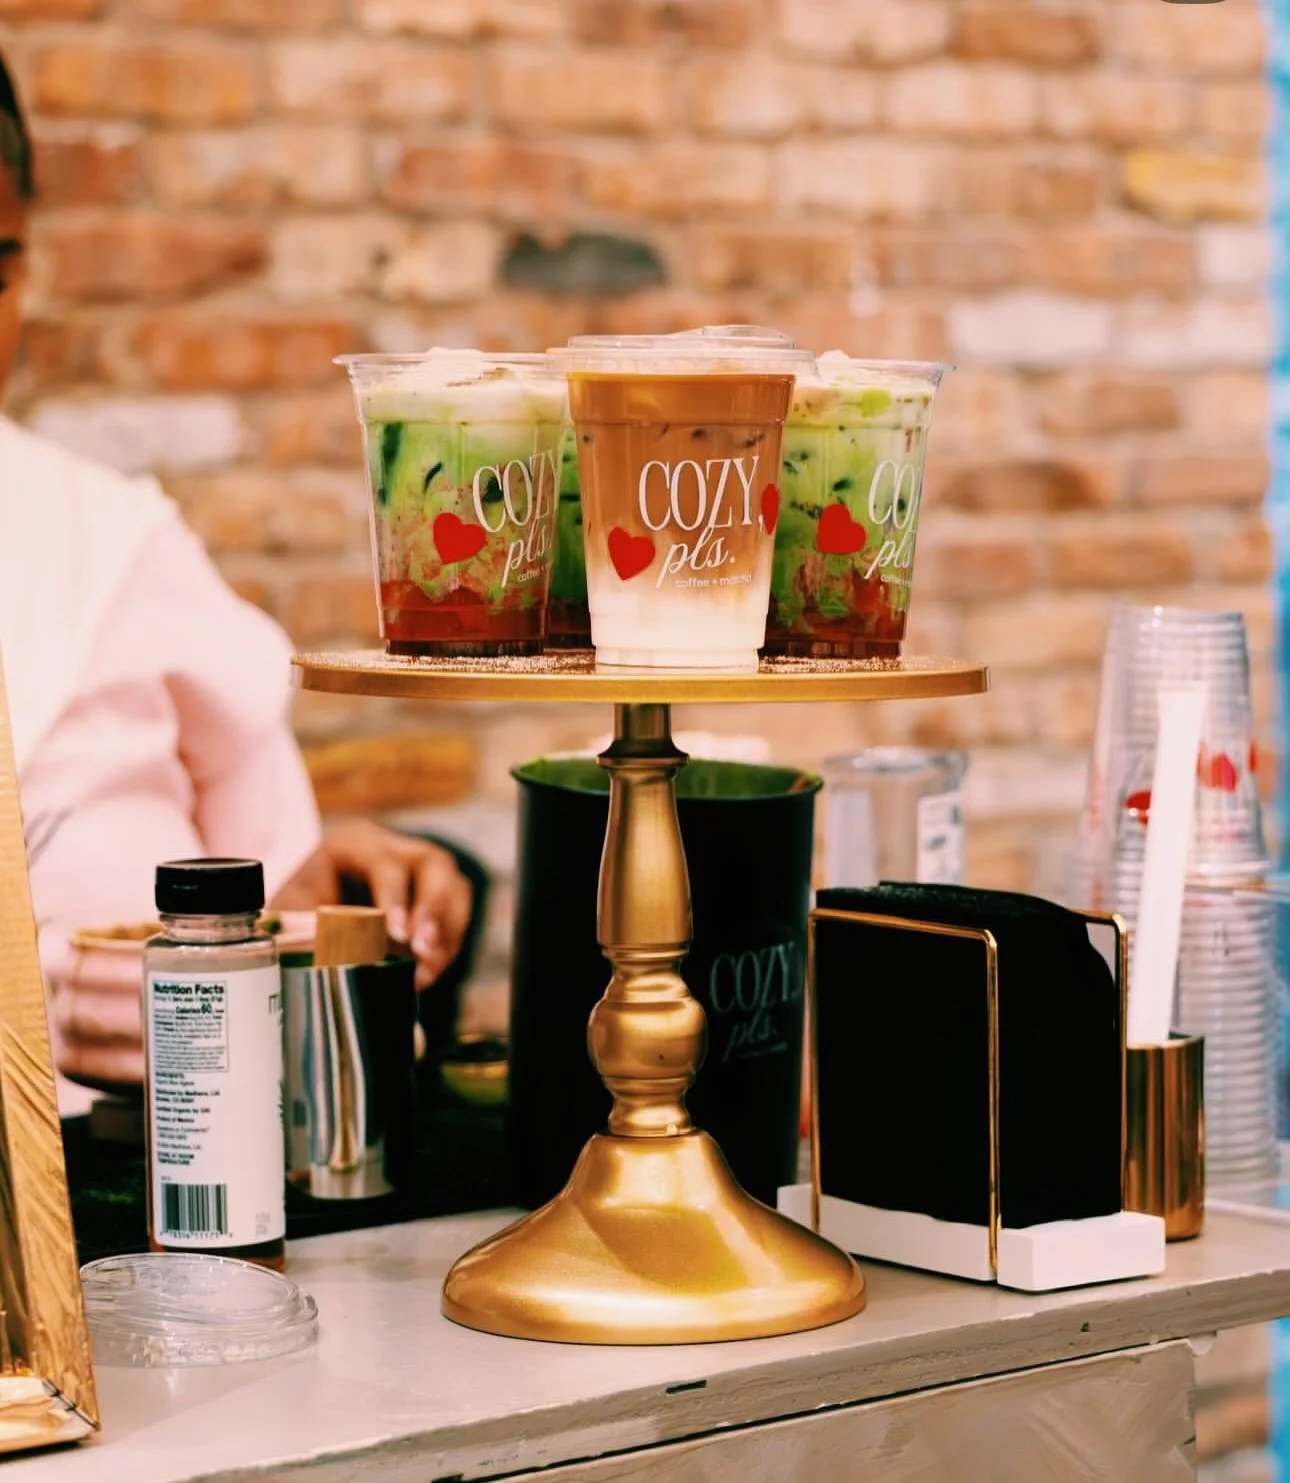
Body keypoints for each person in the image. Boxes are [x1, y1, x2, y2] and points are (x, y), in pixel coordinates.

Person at [0, 55, 471, 1106]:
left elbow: (272, 889)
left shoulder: (113, 541)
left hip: (170, 1171)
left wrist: (327, 899)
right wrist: (65, 991)